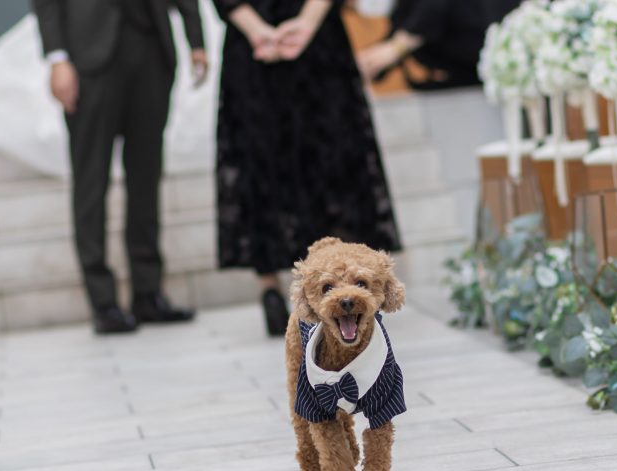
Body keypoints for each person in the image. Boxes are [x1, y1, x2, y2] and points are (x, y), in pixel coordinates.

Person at [212, 0, 401, 337]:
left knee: (262, 163)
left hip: (257, 50)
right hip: (317, 47)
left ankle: (272, 287)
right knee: (330, 159)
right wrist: (306, 24)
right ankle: (343, 287)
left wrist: (260, 32)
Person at [31, 0, 209, 335]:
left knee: (146, 177)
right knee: (91, 181)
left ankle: (148, 293)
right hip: (88, 57)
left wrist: (196, 39)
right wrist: (57, 58)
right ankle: (103, 302)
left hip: (151, 46)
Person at [356, 0, 522, 88]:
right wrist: (368, 66)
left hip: (504, 33)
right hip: (492, 66)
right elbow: (389, 46)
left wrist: (397, 48)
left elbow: (432, 9)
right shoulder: (401, 13)